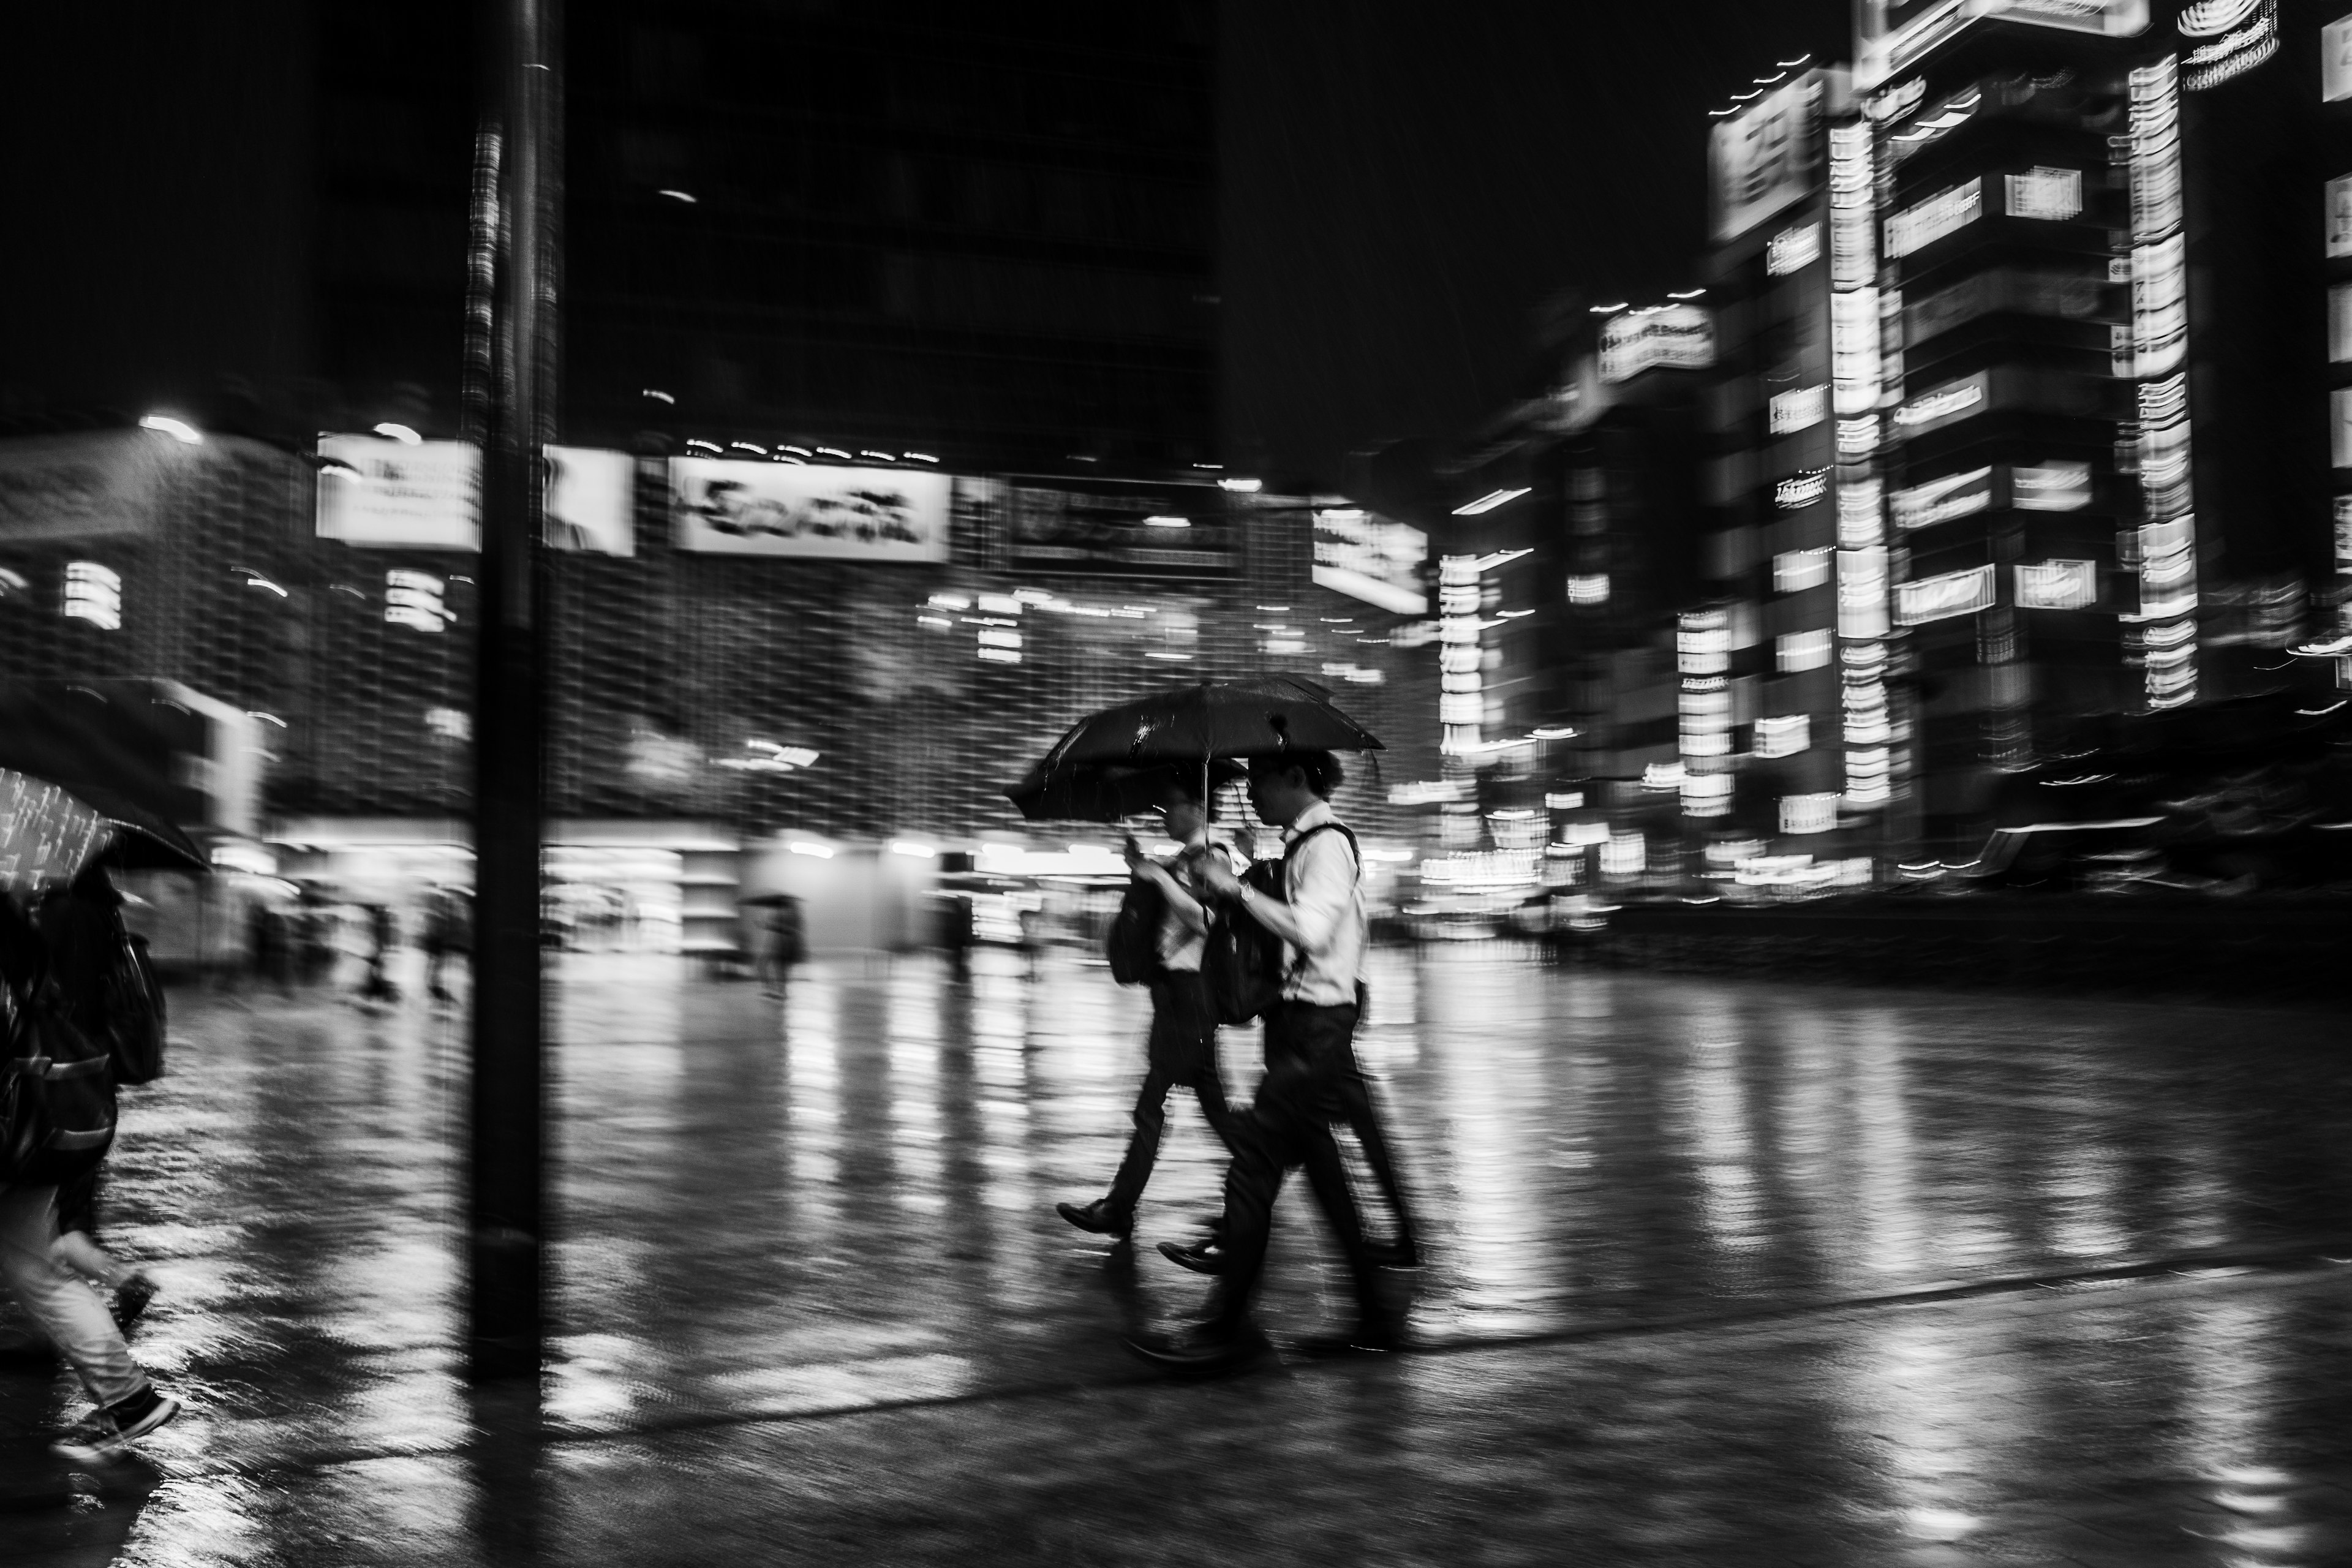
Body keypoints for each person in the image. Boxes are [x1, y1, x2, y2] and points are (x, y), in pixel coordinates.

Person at [1127, 750, 1407, 1372]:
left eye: (1260, 780)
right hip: (1299, 1031)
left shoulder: (1327, 845)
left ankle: (1225, 1327)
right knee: (1331, 1185)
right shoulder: (1303, 846)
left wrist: (1238, 889)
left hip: (1314, 1032)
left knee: (1253, 1167)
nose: (1250, 790)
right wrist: (1235, 882)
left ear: (1296, 779)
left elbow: (1310, 930)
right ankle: (1375, 1318)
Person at [0, 878, 181, 1464]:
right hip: (42, 1123)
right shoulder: (26, 936)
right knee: (39, 1269)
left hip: (16, 1130)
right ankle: (128, 1401)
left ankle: (127, 1398)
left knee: (39, 1267)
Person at [1055, 777, 1240, 1241]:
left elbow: (1207, 922)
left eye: (1172, 805)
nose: (1164, 814)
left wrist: (1156, 876)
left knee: (1151, 1105)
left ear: (1198, 807)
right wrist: (1142, 867)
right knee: (1211, 1109)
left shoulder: (1212, 857)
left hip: (1191, 996)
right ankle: (1262, 1169)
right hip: (1177, 996)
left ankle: (1119, 1206)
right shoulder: (1184, 860)